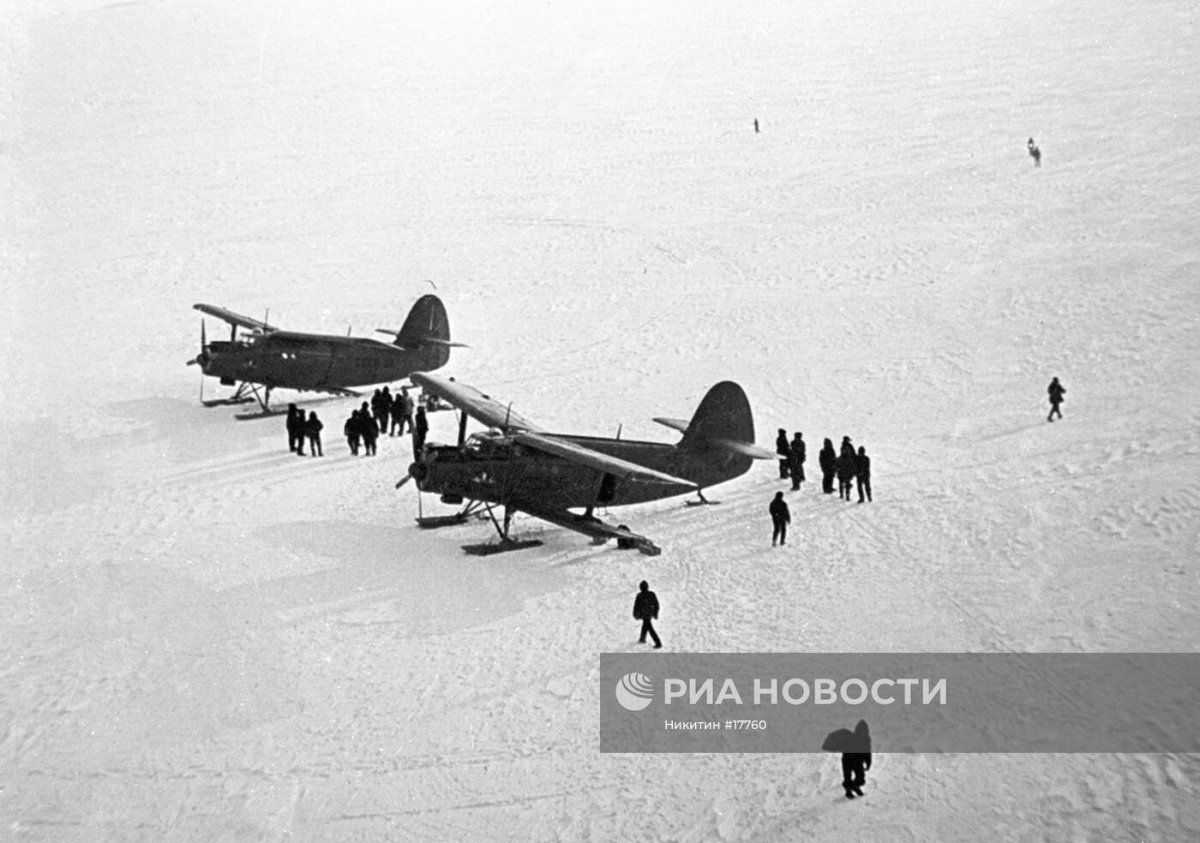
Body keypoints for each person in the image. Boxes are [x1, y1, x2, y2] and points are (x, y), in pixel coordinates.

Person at [842, 720, 872, 799]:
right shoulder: (851, 738)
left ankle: (854, 786)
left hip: (857, 761)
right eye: (861, 730)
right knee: (847, 778)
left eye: (864, 730)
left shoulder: (867, 739)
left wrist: (868, 762)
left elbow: (867, 751)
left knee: (860, 778)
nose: (863, 732)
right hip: (848, 760)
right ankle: (848, 791)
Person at [632, 580, 662, 648]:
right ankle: (642, 639)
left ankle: (658, 643)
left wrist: (635, 614)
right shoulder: (651, 594)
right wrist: (655, 613)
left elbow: (636, 606)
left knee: (650, 628)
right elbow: (656, 604)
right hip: (649, 613)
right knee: (645, 625)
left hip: (644, 614)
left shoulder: (639, 595)